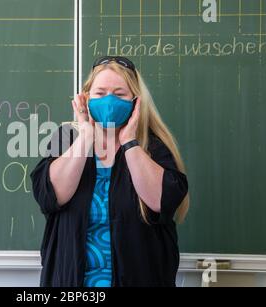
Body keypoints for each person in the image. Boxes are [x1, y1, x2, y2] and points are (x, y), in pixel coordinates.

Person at [30, 56, 189, 287]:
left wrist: (130, 143)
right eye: (100, 93)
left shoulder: (153, 147)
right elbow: (51, 196)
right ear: (85, 99)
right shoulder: (66, 140)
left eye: (120, 94)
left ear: (136, 101)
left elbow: (162, 201)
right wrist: (86, 135)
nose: (109, 101)